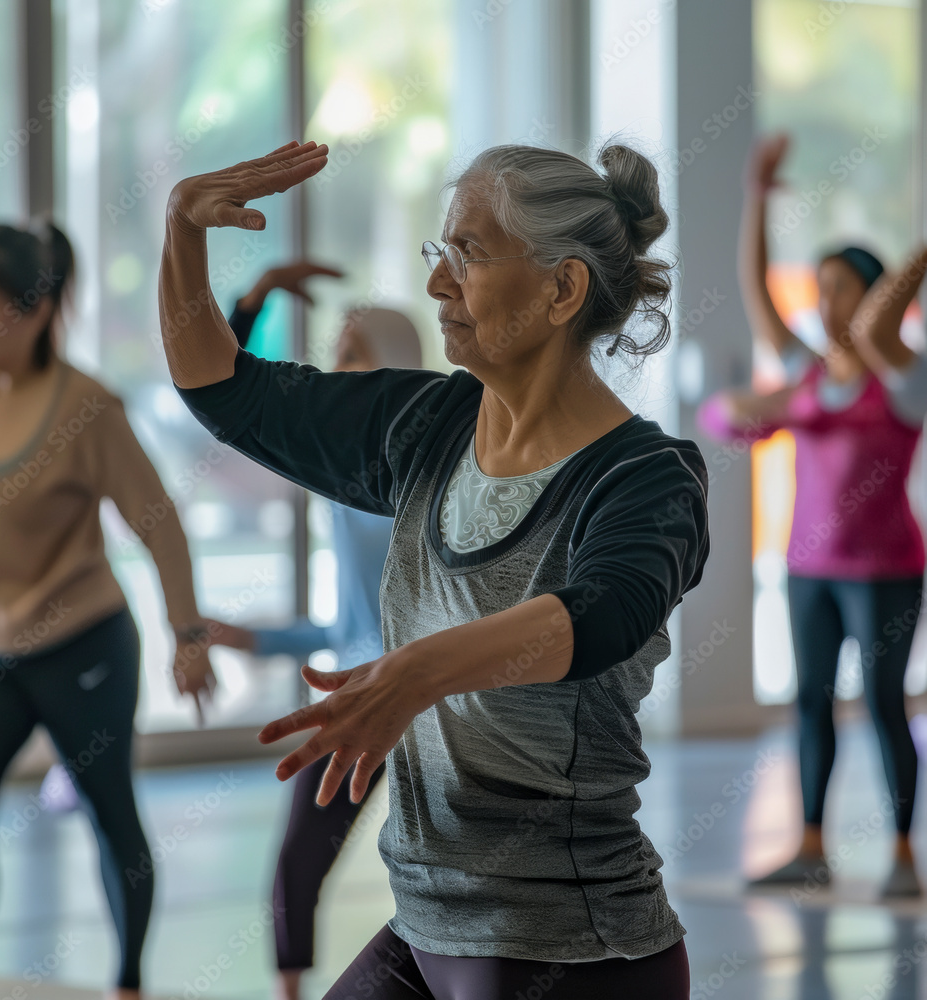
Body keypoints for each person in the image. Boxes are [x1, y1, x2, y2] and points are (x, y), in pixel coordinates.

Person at [159, 139, 709, 999]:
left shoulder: (645, 477)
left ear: (563, 289)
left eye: (470, 254)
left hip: (565, 949)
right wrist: (183, 233)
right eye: (439, 252)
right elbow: (222, 388)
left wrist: (415, 672)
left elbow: (601, 612)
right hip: (425, 927)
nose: (437, 283)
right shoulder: (427, 424)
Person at [0, 221, 219, 1000]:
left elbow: (158, 522)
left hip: (78, 648)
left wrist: (187, 635)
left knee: (110, 815)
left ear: (35, 308)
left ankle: (127, 984)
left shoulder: (86, 407)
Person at [697, 133, 927, 897]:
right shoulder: (803, 376)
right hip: (807, 568)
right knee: (810, 705)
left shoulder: (904, 380)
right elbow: (757, 289)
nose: (825, 304)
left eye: (842, 288)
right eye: (820, 288)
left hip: (887, 570)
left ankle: (901, 856)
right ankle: (811, 846)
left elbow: (875, 332)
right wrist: (755, 199)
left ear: (876, 296)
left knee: (887, 706)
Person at [207, 266, 423, 1000]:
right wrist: (252, 299)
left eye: (356, 352)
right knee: (300, 859)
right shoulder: (337, 470)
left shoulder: (440, 462)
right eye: (337, 353)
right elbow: (222, 389)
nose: (338, 369)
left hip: (441, 693)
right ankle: (291, 991)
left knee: (452, 865)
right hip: (361, 691)